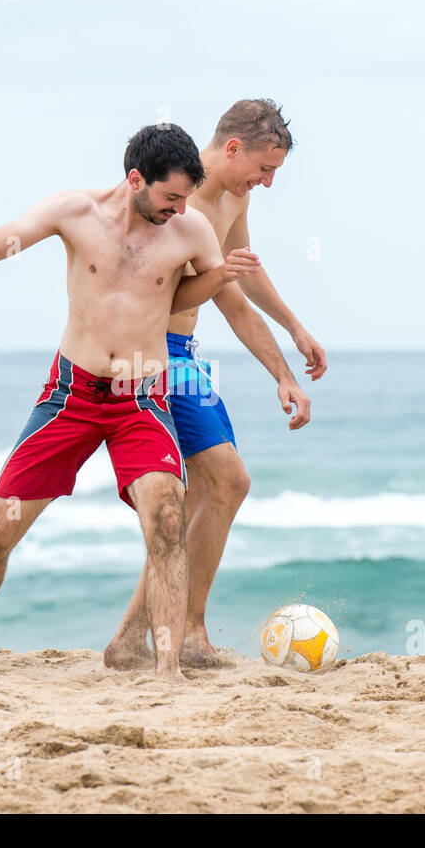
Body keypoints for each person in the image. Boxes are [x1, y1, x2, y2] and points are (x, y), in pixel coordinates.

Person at [0, 123, 259, 681]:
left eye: (187, 197)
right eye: (170, 197)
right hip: (71, 396)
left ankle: (166, 671)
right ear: (135, 178)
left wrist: (217, 279)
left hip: (142, 397)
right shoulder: (74, 212)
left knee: (165, 516)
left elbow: (177, 296)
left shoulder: (190, 230)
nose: (180, 209)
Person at [103, 99, 327, 670]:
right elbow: (228, 301)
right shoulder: (180, 206)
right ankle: (189, 635)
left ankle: (134, 638)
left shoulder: (234, 195)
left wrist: (296, 327)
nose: (267, 182)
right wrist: (281, 375)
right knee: (224, 481)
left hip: (181, 354)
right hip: (150, 356)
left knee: (208, 489)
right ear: (233, 148)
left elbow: (242, 271)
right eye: (264, 167)